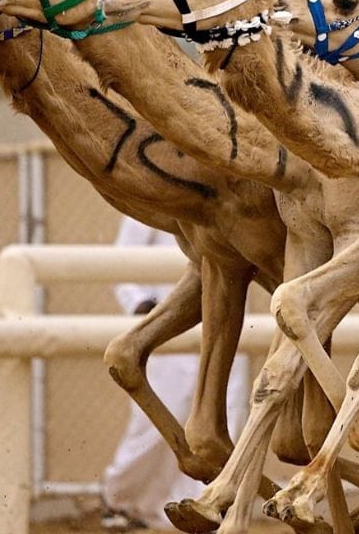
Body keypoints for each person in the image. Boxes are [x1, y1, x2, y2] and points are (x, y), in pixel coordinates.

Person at [101, 217, 248, 531]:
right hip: (169, 328)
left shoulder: (232, 200)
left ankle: (208, 505)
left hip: (225, 321)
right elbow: (123, 261)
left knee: (226, 415)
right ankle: (122, 499)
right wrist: (143, 307)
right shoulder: (152, 196)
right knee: (155, 423)